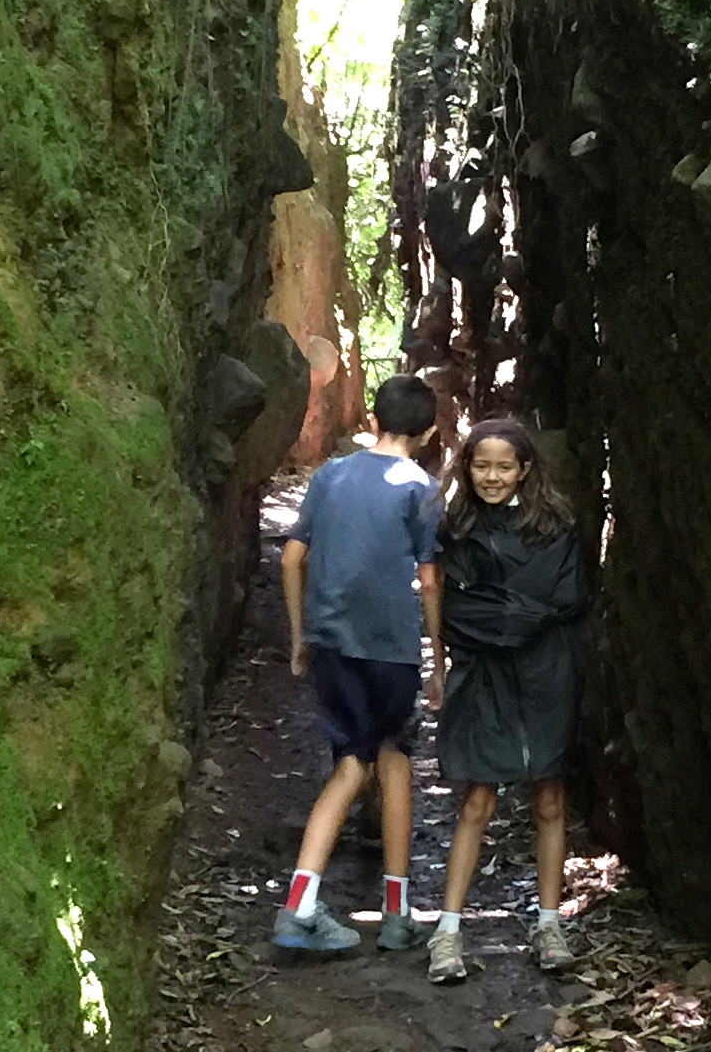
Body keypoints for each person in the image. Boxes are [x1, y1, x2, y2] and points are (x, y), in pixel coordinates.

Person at [273, 374, 444, 953]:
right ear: (429, 431)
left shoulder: (330, 474)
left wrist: (301, 636)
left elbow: (292, 558)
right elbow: (427, 580)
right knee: (392, 760)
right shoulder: (421, 489)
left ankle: (304, 899)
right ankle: (393, 913)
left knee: (350, 763)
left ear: (373, 419)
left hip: (332, 644)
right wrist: (437, 657)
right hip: (391, 650)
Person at [426, 417, 588, 983]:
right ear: (466, 469)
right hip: (485, 677)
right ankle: (446, 933)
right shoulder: (455, 530)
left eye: (503, 466)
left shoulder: (555, 528)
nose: (491, 476)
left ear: (524, 469)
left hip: (546, 675)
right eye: (480, 465)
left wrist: (500, 611)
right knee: (477, 800)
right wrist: (515, 614)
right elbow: (457, 614)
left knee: (550, 798)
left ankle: (549, 925)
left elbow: (566, 597)